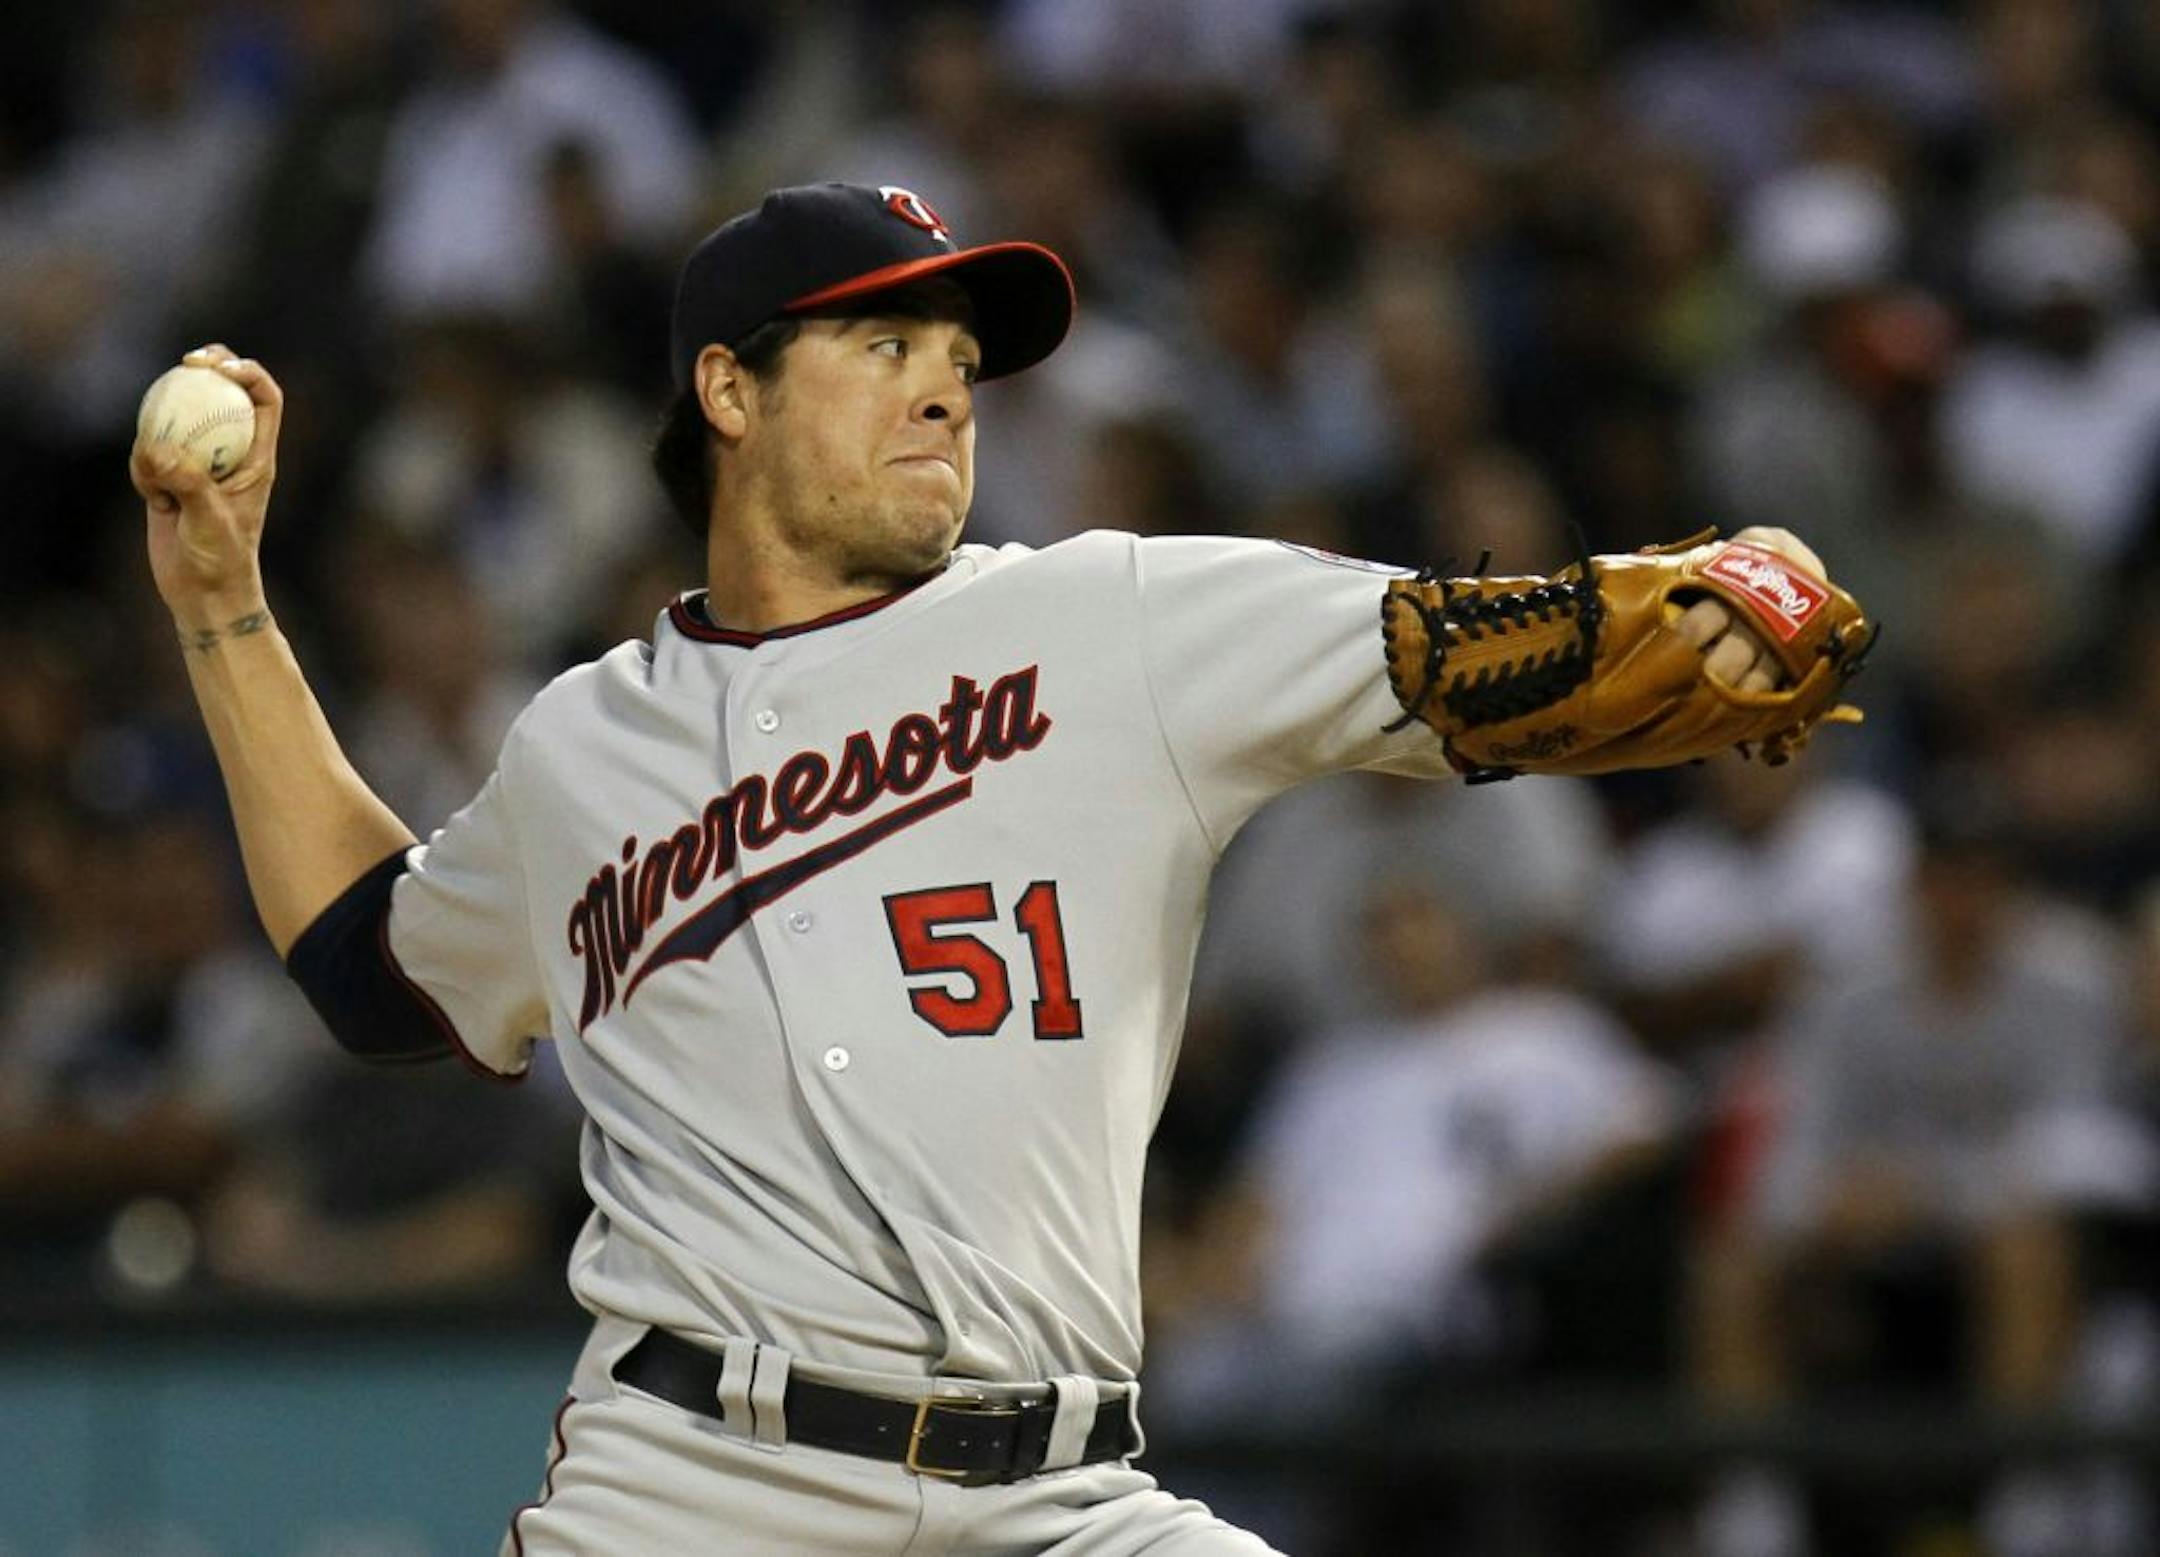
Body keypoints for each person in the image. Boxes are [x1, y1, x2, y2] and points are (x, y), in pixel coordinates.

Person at [129, 181, 1839, 1555]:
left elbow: (1460, 651)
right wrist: (220, 605)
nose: (945, 378)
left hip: (1060, 1494)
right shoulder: (584, 746)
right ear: (728, 387)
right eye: (880, 341)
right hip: (699, 1487)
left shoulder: (1111, 620)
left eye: (955, 348)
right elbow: (372, 960)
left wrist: (1697, 597)